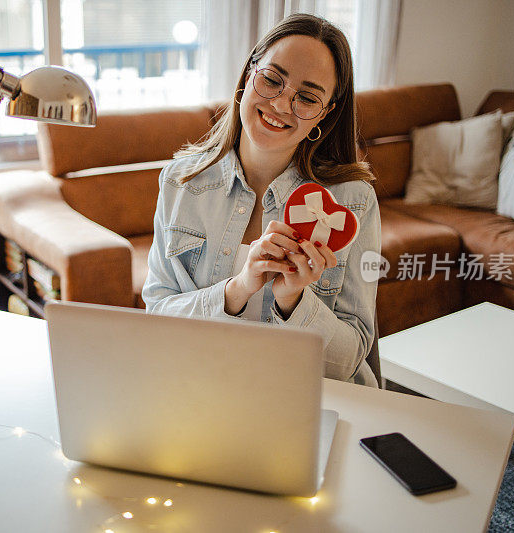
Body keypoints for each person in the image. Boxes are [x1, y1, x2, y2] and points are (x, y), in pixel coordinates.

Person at [142, 14, 381, 387]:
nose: (282, 105)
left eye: (307, 97)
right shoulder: (180, 183)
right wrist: (239, 288)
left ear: (325, 112)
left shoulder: (353, 201)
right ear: (249, 75)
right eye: (272, 79)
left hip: (306, 400)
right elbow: (156, 319)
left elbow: (350, 360)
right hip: (204, 389)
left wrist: (293, 301)